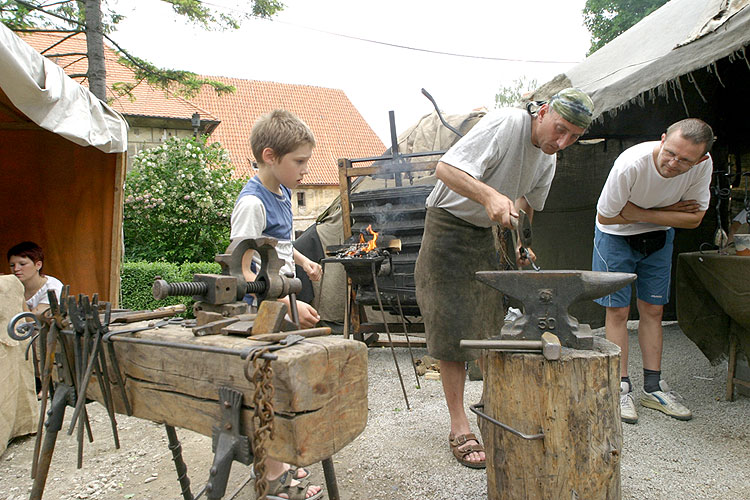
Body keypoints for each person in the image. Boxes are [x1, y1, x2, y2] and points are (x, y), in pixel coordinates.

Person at [415, 88, 594, 468]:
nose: (561, 142)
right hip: (447, 228)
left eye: (573, 137)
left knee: (485, 323)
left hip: (485, 234)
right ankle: (459, 425)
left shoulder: (549, 155)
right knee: (451, 329)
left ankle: (494, 405)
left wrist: (517, 240)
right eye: (559, 129)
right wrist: (489, 197)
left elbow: (527, 203)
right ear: (542, 112)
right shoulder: (507, 123)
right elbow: (445, 169)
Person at [592, 118, 714, 425]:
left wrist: (636, 212)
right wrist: (668, 213)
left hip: (659, 235)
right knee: (618, 311)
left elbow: (696, 218)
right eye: (670, 152)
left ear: (699, 159)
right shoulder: (630, 164)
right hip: (615, 237)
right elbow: (607, 217)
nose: (673, 163)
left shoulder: (704, 165)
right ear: (662, 139)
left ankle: (652, 386)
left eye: (685, 160)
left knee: (653, 309)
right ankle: (619, 386)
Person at [230, 109, 323, 500]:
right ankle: (275, 480)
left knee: (287, 385)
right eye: (299, 162)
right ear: (270, 156)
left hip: (285, 294)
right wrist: (286, 306)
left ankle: (284, 459)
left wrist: (302, 261)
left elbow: (281, 245)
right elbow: (243, 267)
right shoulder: (253, 204)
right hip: (264, 309)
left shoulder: (282, 191)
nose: (305, 170)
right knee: (266, 394)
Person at [7, 241, 63, 316]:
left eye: (22, 264)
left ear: (38, 265)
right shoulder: (9, 286)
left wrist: (18, 297)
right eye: (12, 265)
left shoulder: (53, 287)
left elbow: (33, 320)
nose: (16, 269)